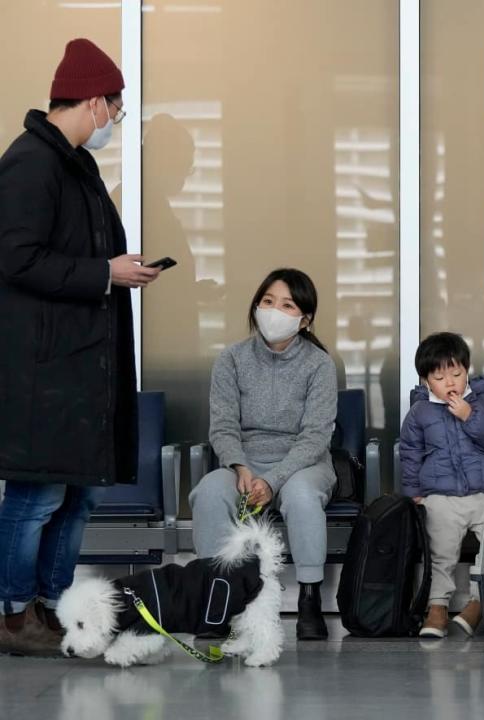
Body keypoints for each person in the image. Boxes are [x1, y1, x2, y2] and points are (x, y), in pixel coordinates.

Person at [0, 38, 162, 656]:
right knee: (37, 492)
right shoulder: (30, 163)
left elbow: (81, 253)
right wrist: (104, 274)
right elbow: (16, 260)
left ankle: (52, 603)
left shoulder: (76, 165)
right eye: (115, 112)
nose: (112, 125)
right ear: (93, 101)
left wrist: (118, 268)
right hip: (44, 370)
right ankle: (14, 615)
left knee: (81, 488)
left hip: (82, 366)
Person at [190, 268, 338, 640]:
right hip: (244, 460)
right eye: (268, 301)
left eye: (287, 305)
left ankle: (309, 598)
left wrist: (272, 481)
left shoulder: (319, 365)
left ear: (304, 320)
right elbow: (222, 426)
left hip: (304, 462)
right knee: (209, 491)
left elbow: (315, 436)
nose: (273, 311)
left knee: (303, 497)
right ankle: (217, 595)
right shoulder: (231, 360)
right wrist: (240, 467)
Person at [399, 332, 484, 638]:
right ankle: (436, 607)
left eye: (457, 373)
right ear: (426, 381)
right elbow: (410, 453)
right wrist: (415, 493)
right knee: (440, 551)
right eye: (440, 376)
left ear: (467, 370)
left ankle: (479, 604)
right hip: (442, 495)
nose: (450, 382)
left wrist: (470, 416)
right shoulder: (420, 412)